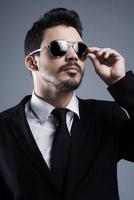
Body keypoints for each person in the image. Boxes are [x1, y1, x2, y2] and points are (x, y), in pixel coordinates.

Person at [0, 7, 134, 200]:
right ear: (32, 62)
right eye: (59, 47)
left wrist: (121, 83)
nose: (73, 56)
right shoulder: (4, 128)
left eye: (80, 49)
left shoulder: (108, 116)